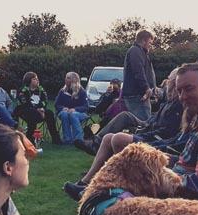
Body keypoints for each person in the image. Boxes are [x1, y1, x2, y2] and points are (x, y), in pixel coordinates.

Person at [52, 63, 198, 215]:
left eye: (188, 89)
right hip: (181, 182)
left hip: (196, 201)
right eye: (179, 90)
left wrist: (160, 176)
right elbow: (185, 160)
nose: (181, 96)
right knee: (128, 166)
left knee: (127, 177)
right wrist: (157, 165)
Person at [64, 68, 184, 197]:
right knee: (113, 131)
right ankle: (86, 181)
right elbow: (155, 119)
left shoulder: (178, 105)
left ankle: (107, 185)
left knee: (118, 138)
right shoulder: (170, 101)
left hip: (154, 137)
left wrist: (141, 133)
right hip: (148, 127)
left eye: (170, 79)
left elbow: (166, 132)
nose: (166, 82)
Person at [14, 72, 61, 145]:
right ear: (29, 80)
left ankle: (55, 138)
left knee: (49, 113)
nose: (37, 80)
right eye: (34, 79)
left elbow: (45, 101)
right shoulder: (23, 90)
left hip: (40, 110)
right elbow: (25, 103)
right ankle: (30, 137)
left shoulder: (41, 90)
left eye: (37, 78)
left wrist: (41, 108)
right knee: (32, 113)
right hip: (25, 110)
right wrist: (37, 109)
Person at [121, 30, 156, 121]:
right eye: (149, 43)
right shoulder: (135, 51)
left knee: (142, 121)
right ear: (144, 41)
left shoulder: (141, 52)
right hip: (137, 95)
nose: (150, 45)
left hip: (139, 94)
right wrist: (146, 88)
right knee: (143, 122)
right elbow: (138, 71)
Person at [54, 72, 89, 144]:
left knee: (73, 114)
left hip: (80, 113)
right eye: (66, 77)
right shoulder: (62, 91)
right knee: (64, 114)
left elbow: (85, 106)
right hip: (65, 112)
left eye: (68, 78)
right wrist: (63, 108)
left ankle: (79, 140)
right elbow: (57, 104)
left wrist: (75, 109)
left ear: (73, 80)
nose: (65, 79)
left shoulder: (81, 91)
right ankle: (67, 139)